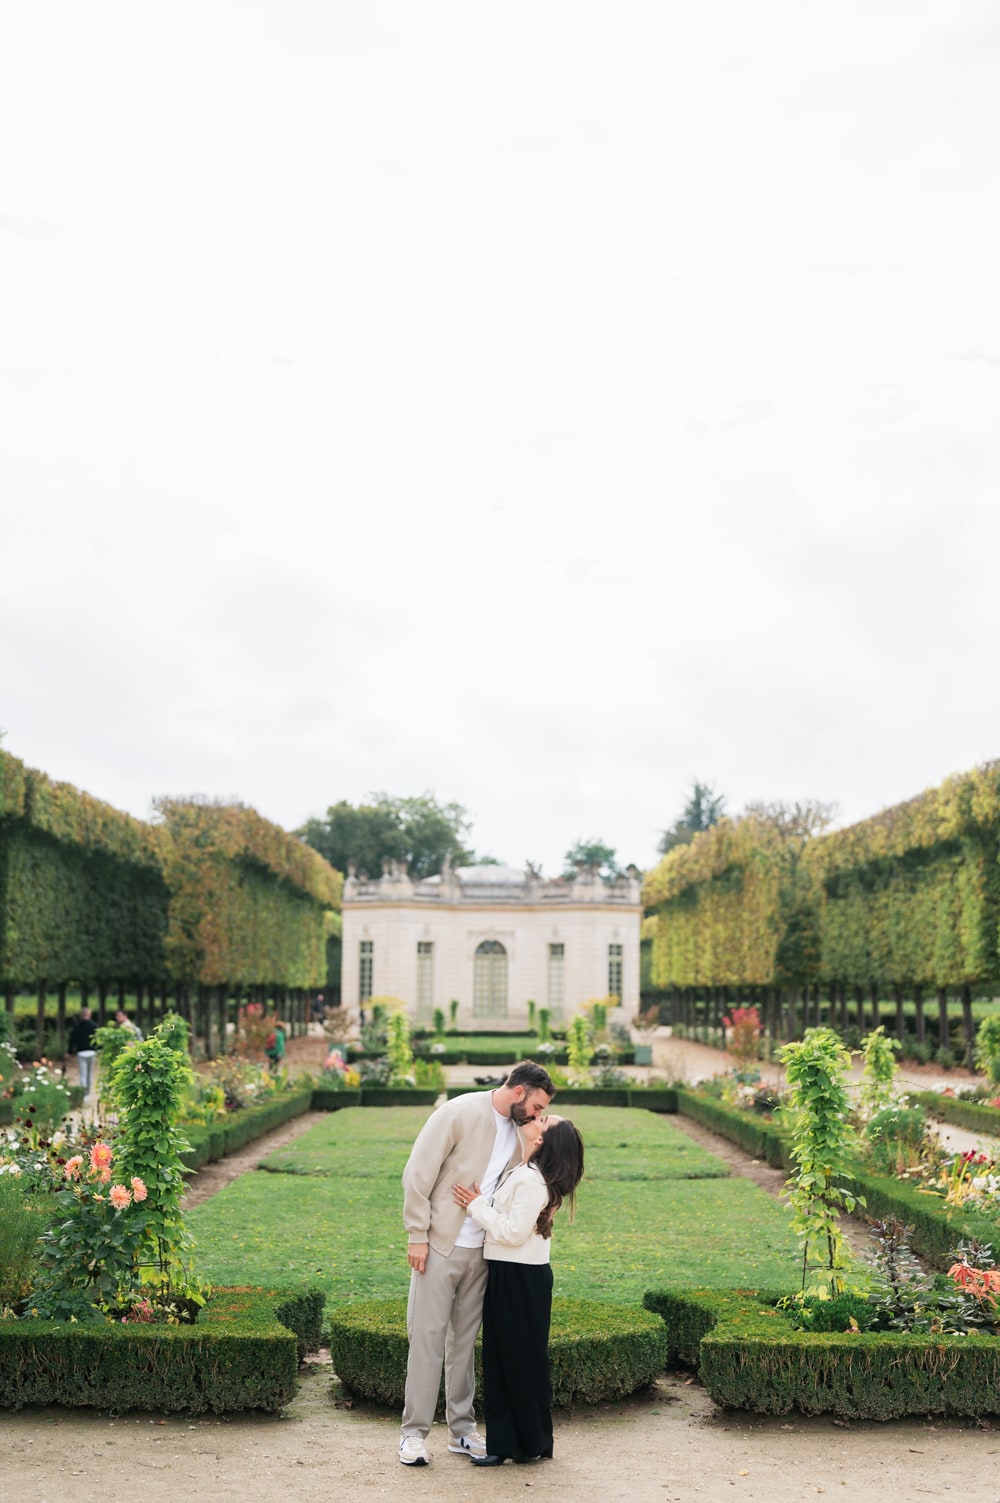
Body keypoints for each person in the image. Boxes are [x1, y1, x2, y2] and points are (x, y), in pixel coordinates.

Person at [398, 1060, 556, 1467]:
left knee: (464, 1345)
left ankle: (462, 1431)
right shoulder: (458, 1112)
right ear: (519, 1091)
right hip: (439, 1246)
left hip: (485, 1254)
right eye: (537, 1105)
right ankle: (413, 1435)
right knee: (427, 1339)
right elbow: (418, 1172)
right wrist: (417, 1235)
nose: (538, 1115)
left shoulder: (521, 1132)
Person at [453, 1114, 584, 1467]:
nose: (534, 1117)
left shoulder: (530, 1179)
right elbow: (513, 1221)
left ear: (543, 1140)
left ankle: (511, 1445)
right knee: (517, 1361)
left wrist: (476, 1206)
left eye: (543, 1119)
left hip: (518, 1277)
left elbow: (512, 1232)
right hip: (518, 1275)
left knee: (509, 1362)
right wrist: (487, 1203)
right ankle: (525, 1443)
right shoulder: (528, 1174)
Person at [67, 1006, 98, 1096]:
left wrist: (69, 1051)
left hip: (81, 1053)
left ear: (81, 1015)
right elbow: (98, 1040)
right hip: (92, 1052)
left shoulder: (77, 1027)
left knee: (83, 1074)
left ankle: (84, 1094)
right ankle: (88, 1092)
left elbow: (72, 1040)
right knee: (90, 1074)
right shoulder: (94, 1026)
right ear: (89, 1015)